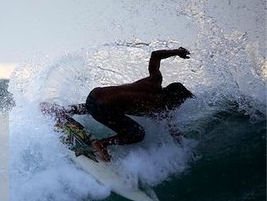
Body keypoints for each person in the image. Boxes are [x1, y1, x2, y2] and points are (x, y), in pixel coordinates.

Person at [41, 47, 194, 162]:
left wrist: (177, 51)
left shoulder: (154, 81)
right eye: (179, 103)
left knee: (105, 106)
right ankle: (102, 144)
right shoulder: (159, 107)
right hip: (102, 108)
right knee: (138, 133)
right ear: (173, 99)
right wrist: (183, 146)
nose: (177, 107)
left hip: (94, 95)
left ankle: (63, 109)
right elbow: (171, 128)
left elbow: (155, 55)